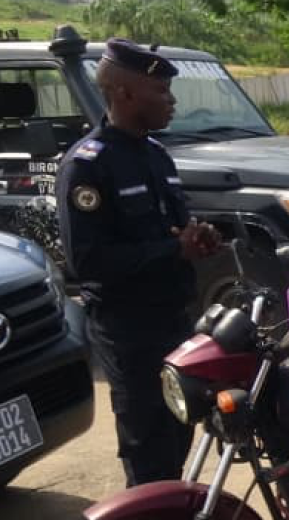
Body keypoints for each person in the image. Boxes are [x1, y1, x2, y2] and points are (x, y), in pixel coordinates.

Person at [56, 39, 221, 489]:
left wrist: (198, 237)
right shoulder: (88, 166)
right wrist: (172, 250)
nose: (171, 101)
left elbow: (175, 228)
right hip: (129, 331)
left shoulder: (156, 155)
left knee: (179, 433)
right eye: (161, 91)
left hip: (174, 320)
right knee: (148, 448)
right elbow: (87, 261)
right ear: (125, 93)